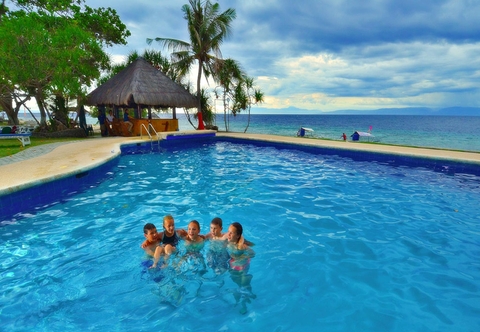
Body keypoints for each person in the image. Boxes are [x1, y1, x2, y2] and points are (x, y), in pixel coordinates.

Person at [226, 222, 256, 314]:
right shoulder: (229, 242)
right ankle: (239, 296)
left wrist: (242, 258)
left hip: (243, 265)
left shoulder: (242, 246)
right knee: (235, 280)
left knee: (244, 283)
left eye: (231, 233)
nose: (228, 234)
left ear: (238, 235)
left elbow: (253, 253)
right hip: (233, 264)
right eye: (228, 232)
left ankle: (244, 303)